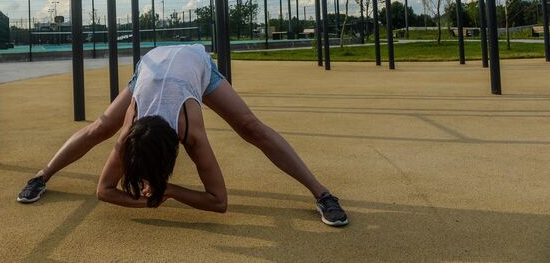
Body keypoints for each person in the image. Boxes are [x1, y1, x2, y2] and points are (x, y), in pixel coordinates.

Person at [17, 44, 348, 226]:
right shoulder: (128, 134)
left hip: (194, 65)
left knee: (250, 128)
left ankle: (322, 194)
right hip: (152, 65)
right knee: (100, 127)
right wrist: (147, 198)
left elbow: (219, 203)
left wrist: (170, 191)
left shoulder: (191, 132)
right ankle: (42, 176)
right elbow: (104, 191)